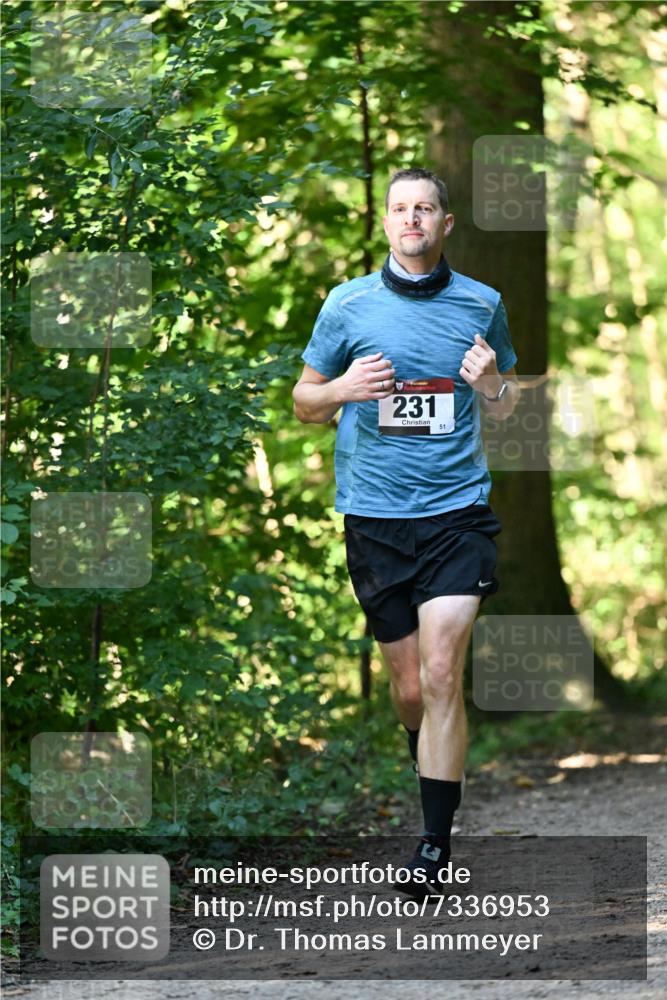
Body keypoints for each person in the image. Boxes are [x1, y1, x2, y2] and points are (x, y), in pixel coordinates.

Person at [292, 167, 520, 898]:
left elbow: (509, 401)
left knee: (443, 670)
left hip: (457, 515)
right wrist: (341, 391)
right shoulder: (346, 304)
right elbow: (303, 403)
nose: (411, 219)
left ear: (445, 223)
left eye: (424, 208)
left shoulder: (482, 304)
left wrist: (489, 385)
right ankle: (425, 755)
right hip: (376, 517)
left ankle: (432, 845)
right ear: (385, 223)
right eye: (399, 209)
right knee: (412, 689)